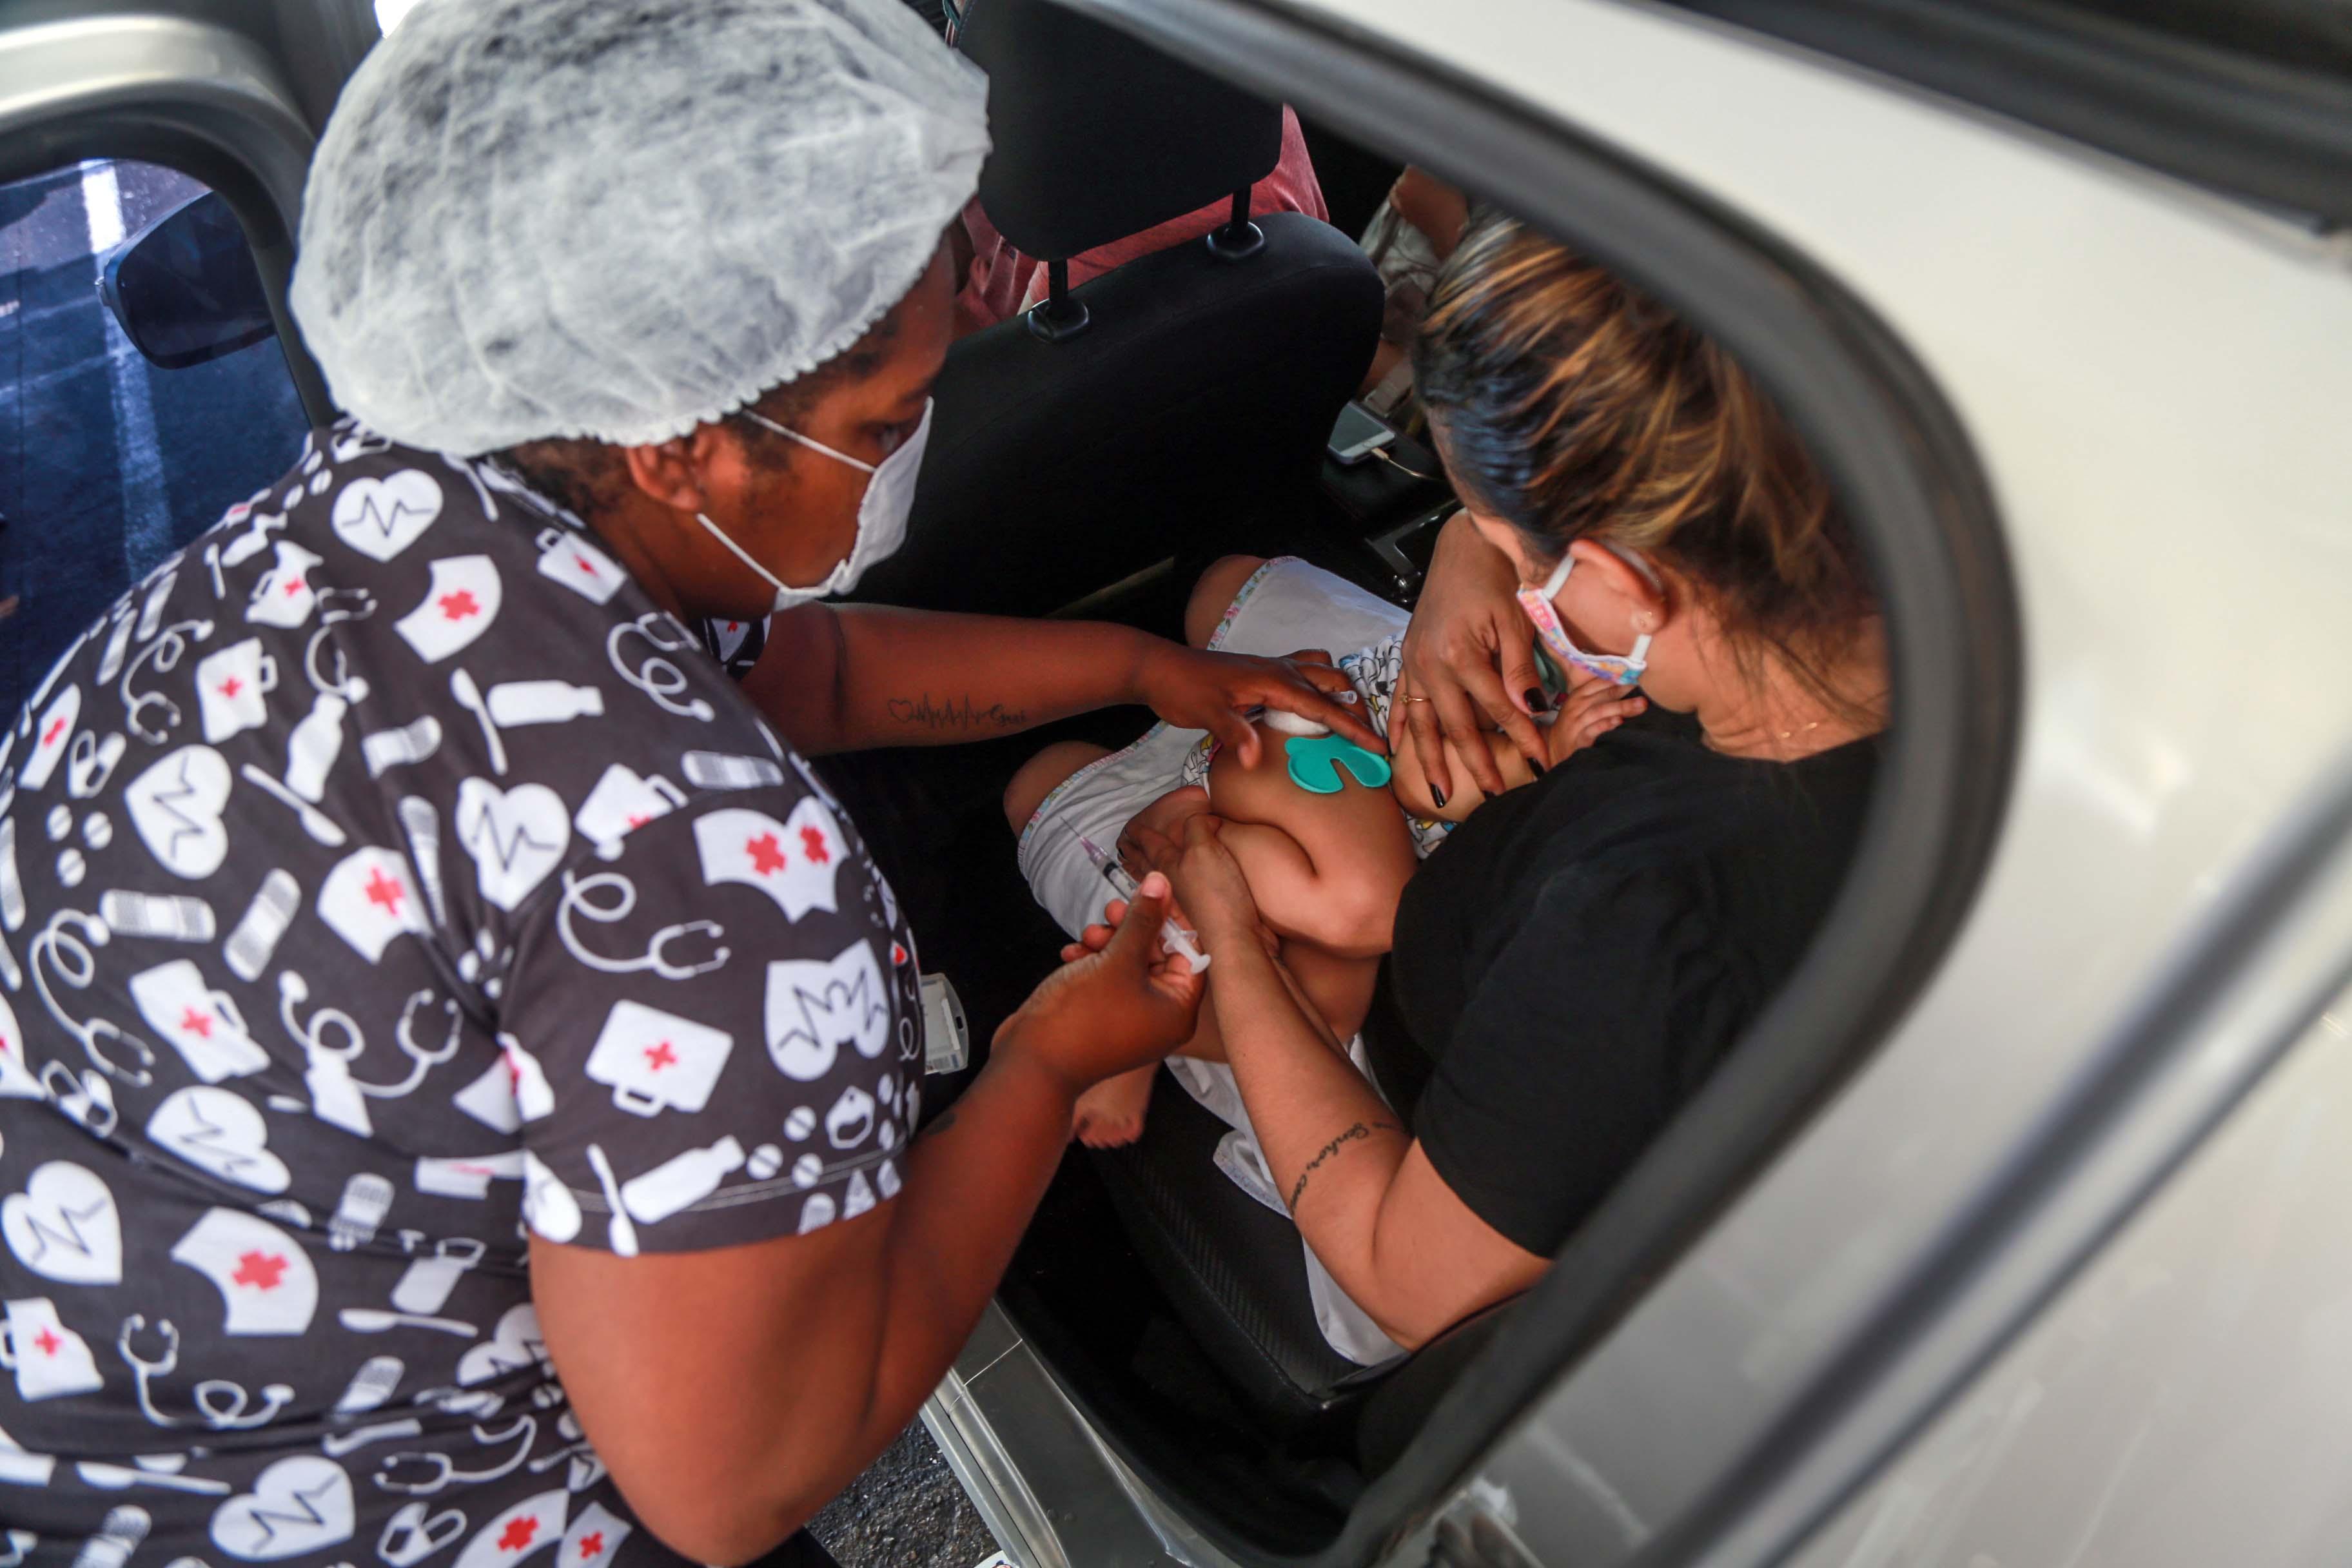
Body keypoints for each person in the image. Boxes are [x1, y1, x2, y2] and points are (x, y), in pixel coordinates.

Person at [0, 4, 1382, 1565]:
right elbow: (736, 1480)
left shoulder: (352, 526)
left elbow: (822, 672)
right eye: (888, 416)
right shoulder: (696, 863)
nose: (914, 445)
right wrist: (1048, 1066)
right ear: (678, 447)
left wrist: (1146, 675)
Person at [1040, 213, 1889, 1355]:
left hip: (1382, 1051)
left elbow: (1408, 1277)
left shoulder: (1650, 935)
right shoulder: (1889, 593)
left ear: (1630, 580)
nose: (1508, 572)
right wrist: (1467, 565)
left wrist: (1229, 920)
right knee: (1229, 618)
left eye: (1518, 550)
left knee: (1058, 788)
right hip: (1484, 827)